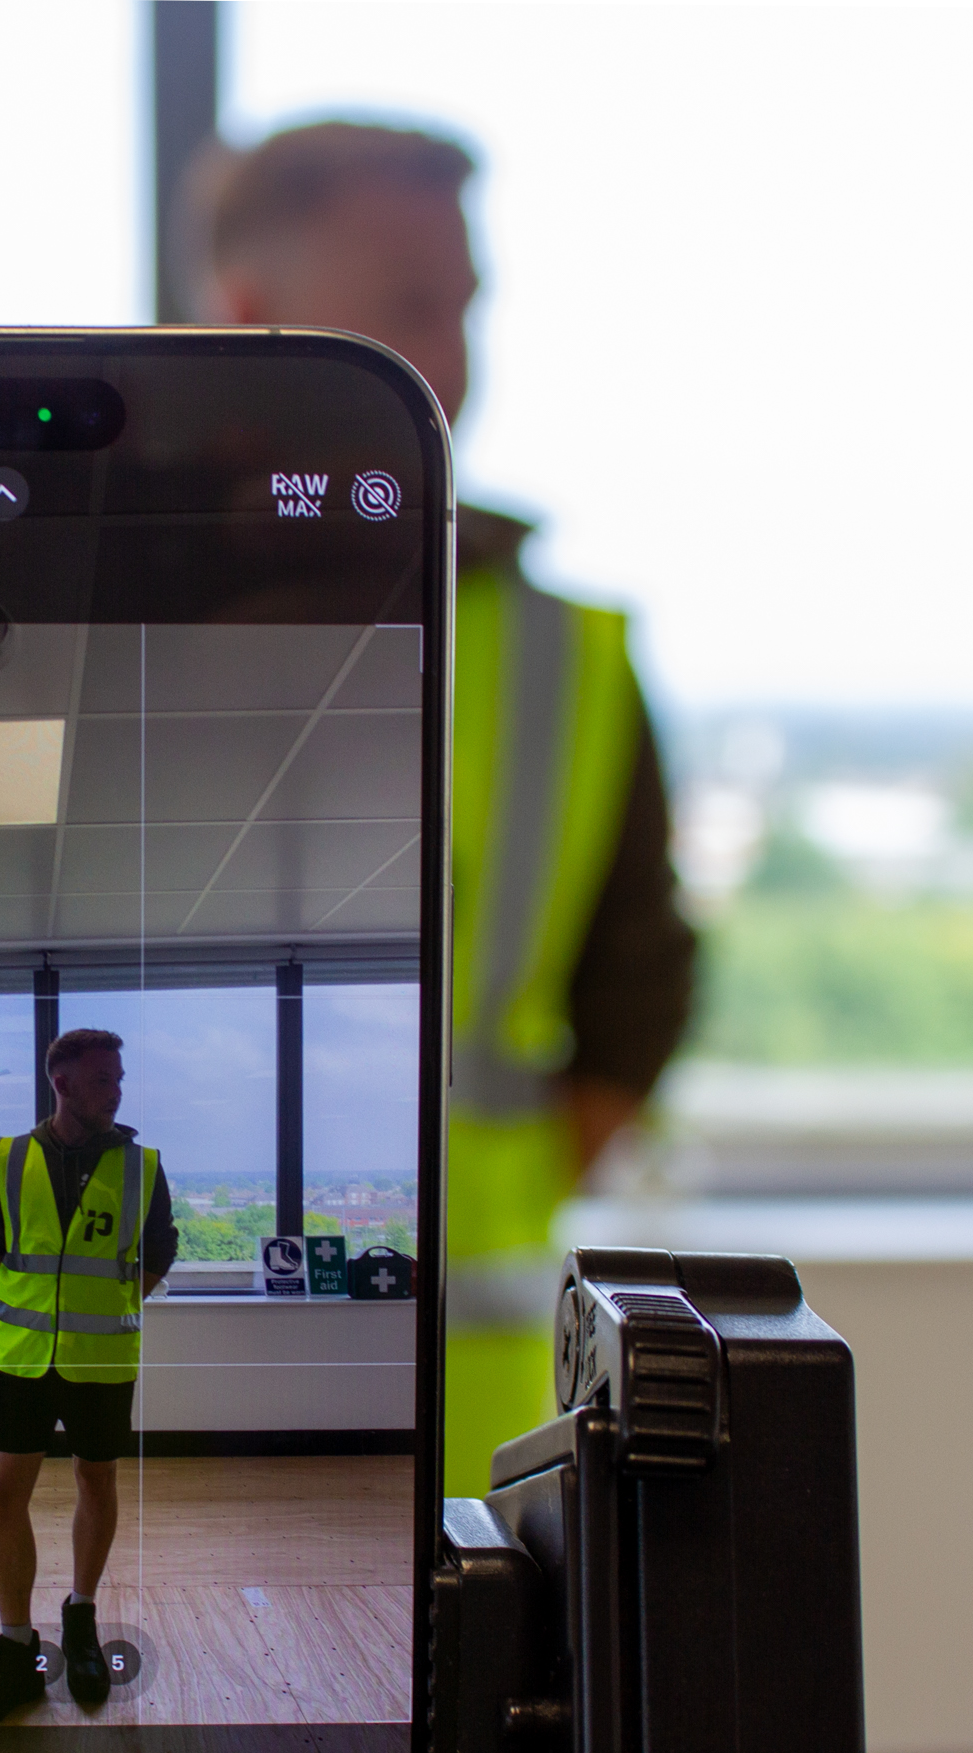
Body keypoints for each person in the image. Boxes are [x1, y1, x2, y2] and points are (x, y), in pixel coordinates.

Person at [188, 122, 696, 1494]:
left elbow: (636, 992)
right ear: (252, 320)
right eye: (413, 308)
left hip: (483, 1447)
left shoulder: (560, 651)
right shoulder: (106, 610)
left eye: (466, 308)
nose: (457, 359)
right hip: (171, 1406)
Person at [0, 1027, 178, 1737]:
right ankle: (16, 1648)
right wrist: (42, 1310)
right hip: (21, 1361)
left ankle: (80, 1617)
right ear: (63, 1083)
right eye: (103, 1078)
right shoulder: (10, 1158)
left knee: (97, 1483)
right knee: (1, 1494)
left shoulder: (143, 1164)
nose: (116, 1090)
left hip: (102, 1362)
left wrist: (98, 1309)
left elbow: (159, 1254)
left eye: (118, 1078)